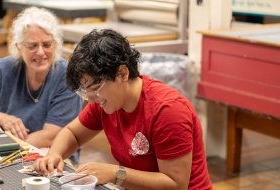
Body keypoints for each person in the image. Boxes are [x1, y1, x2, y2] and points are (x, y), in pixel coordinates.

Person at [34, 29, 212, 189]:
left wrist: (116, 174)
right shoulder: (105, 101)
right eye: (85, 91)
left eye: (95, 88)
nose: (91, 98)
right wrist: (54, 154)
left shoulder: (167, 111)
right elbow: (73, 133)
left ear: (122, 73)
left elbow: (176, 184)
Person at [0, 7, 82, 154]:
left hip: (51, 157)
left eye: (47, 45)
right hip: (6, 152)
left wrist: (2, 149)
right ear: (19, 47)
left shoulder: (66, 76)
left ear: (56, 45)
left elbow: (51, 136)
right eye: (32, 46)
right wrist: (2, 118)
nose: (41, 52)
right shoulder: (3, 70)